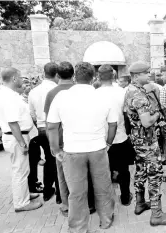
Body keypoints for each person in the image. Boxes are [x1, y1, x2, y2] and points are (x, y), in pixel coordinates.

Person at [47, 62, 117, 232]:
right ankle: (106, 219)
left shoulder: (61, 97)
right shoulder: (104, 97)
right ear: (93, 77)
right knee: (103, 187)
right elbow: (113, 124)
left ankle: (78, 227)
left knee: (77, 192)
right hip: (98, 149)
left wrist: (56, 150)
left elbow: (51, 126)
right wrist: (108, 143)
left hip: (72, 151)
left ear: (74, 77)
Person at [124, 61, 166, 226]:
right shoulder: (139, 95)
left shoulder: (131, 90)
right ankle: (157, 214)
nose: (150, 75)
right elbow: (146, 122)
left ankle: (140, 203)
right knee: (155, 175)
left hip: (138, 140)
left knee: (140, 171)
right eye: (147, 73)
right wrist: (157, 116)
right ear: (137, 75)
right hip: (147, 141)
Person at [44, 61, 96, 217]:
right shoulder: (80, 90)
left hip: (61, 141)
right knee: (86, 174)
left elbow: (50, 123)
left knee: (64, 177)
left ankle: (67, 206)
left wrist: (53, 147)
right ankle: (89, 204)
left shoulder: (53, 93)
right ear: (73, 75)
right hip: (81, 138)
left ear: (58, 75)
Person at [0, 67, 43, 212]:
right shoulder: (9, 97)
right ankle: (21, 203)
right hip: (16, 137)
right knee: (20, 171)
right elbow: (12, 122)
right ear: (14, 78)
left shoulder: (4, 93)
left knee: (22, 169)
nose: (22, 80)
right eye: (20, 77)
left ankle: (24, 194)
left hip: (15, 136)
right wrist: (21, 142)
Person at [95, 64, 135, 206]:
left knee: (105, 171)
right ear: (113, 76)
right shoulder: (122, 91)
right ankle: (125, 197)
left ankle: (106, 201)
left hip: (101, 139)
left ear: (98, 76)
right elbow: (127, 113)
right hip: (120, 136)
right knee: (124, 170)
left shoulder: (95, 94)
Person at [28, 62, 60, 202]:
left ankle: (48, 190)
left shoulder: (33, 91)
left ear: (43, 73)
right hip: (55, 128)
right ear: (57, 74)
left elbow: (32, 114)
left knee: (48, 159)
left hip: (41, 129)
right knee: (58, 160)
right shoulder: (58, 90)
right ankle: (59, 193)